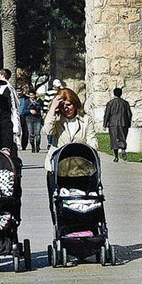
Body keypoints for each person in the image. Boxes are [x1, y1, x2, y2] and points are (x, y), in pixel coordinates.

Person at [42, 87, 98, 219]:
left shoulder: (85, 119)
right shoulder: (57, 119)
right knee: (57, 202)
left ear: (75, 103)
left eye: (69, 105)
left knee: (81, 199)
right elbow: (47, 131)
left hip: (80, 167)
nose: (66, 108)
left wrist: (90, 152)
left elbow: (92, 138)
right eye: (62, 106)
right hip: (58, 167)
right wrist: (52, 109)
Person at [103, 87, 132, 162]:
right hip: (123, 123)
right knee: (123, 137)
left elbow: (107, 114)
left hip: (113, 124)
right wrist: (129, 122)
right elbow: (129, 114)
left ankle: (116, 157)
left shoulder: (110, 103)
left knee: (114, 139)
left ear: (114, 93)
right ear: (121, 94)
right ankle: (123, 149)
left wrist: (105, 124)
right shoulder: (125, 103)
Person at [0, 68, 22, 151]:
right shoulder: (7, 87)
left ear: (2, 75)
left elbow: (8, 104)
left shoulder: (6, 88)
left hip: (9, 118)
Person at [43, 78, 64, 148]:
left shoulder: (62, 91)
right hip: (51, 111)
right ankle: (49, 142)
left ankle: (54, 140)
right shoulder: (49, 92)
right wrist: (45, 112)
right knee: (50, 124)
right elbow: (46, 102)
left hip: (59, 112)